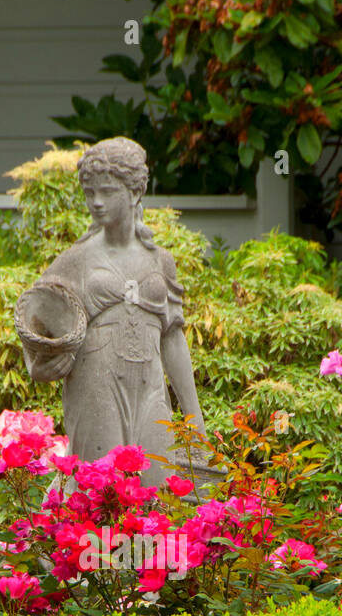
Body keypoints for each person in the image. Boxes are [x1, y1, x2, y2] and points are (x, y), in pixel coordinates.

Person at [15, 137, 208, 487]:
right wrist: (41, 365)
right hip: (95, 387)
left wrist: (194, 418)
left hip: (150, 388)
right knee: (98, 498)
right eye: (89, 193)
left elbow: (173, 340)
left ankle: (148, 548)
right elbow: (34, 319)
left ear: (134, 192)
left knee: (158, 496)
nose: (96, 202)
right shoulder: (76, 260)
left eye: (106, 191)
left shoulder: (159, 260)